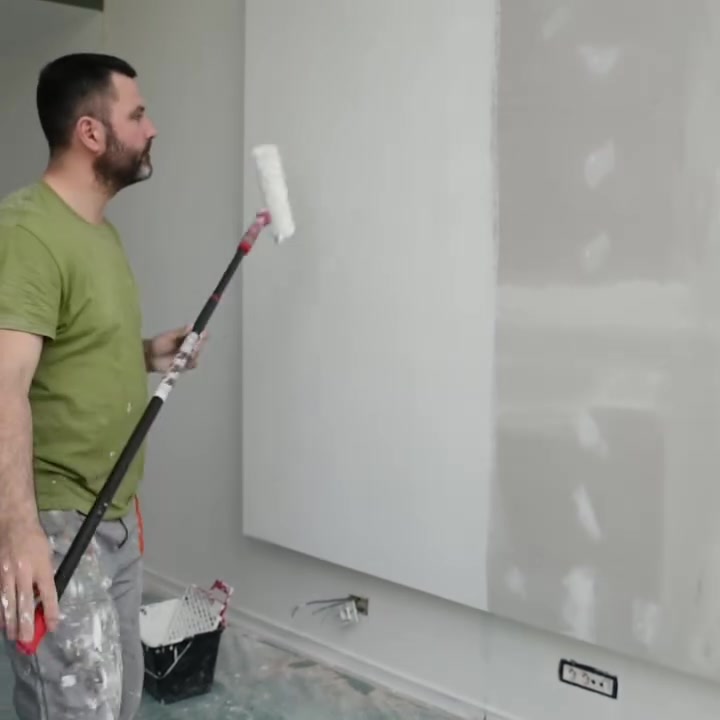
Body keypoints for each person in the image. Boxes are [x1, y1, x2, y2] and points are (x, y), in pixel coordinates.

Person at [0, 53, 205, 719]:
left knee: (117, 701)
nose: (151, 128)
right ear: (91, 133)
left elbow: (69, 351)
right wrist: (20, 533)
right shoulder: (28, 232)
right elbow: (5, 386)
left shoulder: (100, 235)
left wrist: (147, 354)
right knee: (76, 708)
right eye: (137, 114)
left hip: (112, 513)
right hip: (56, 518)